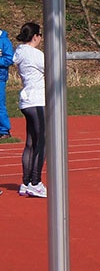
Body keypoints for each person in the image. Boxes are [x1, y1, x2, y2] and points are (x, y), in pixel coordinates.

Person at [12, 22, 46, 198]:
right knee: (41, 142)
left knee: (30, 142)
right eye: (40, 36)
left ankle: (26, 183)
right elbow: (52, 70)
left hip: (26, 100)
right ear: (35, 37)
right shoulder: (36, 54)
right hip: (38, 100)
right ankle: (35, 181)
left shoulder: (19, 51)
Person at [0, 26, 13, 139]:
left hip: (0, 77)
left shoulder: (4, 41)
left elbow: (9, 59)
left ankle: (4, 131)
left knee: (0, 104)